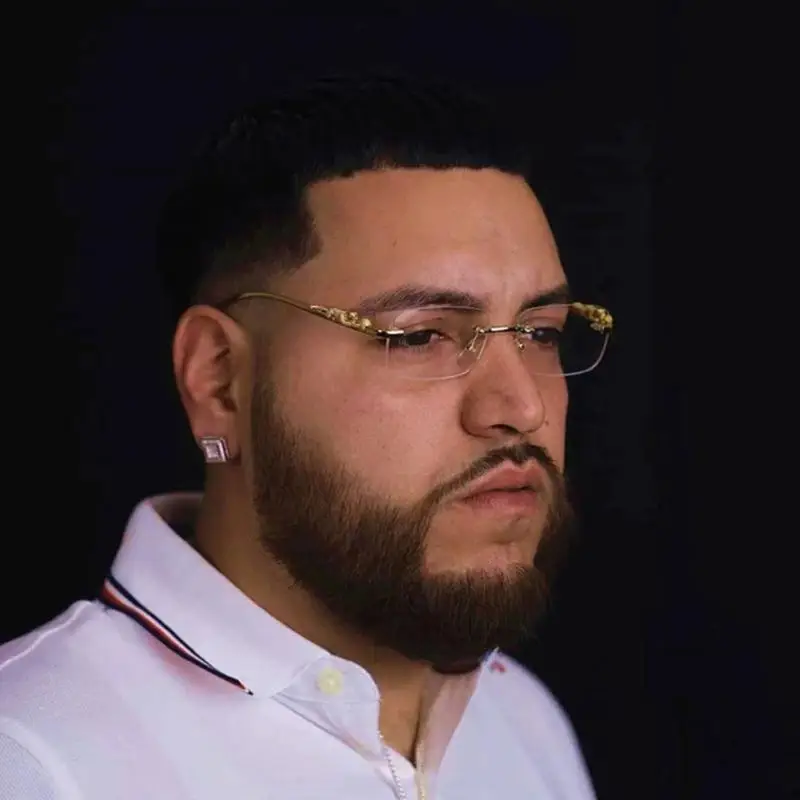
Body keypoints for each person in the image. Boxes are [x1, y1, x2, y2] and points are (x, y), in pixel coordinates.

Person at [0, 72, 612, 799]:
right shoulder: (35, 760)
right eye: (418, 337)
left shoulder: (519, 721)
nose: (522, 407)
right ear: (220, 381)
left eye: (541, 333)